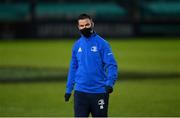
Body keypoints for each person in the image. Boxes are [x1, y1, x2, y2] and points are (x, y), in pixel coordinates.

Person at [64, 13, 118, 117]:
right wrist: (68, 89)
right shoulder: (76, 45)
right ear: (78, 27)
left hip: (99, 92)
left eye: (87, 25)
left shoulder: (103, 44)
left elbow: (111, 65)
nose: (84, 28)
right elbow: (73, 68)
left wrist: (110, 83)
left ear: (92, 24)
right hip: (80, 93)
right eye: (82, 26)